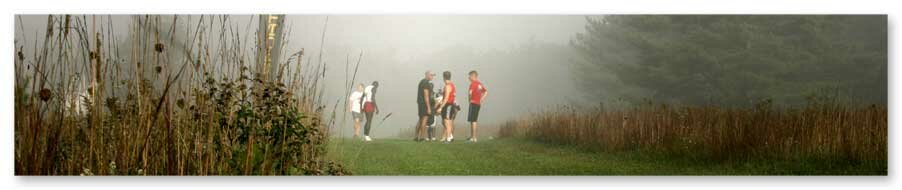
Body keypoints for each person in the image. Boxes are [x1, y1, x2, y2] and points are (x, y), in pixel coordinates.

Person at [436, 71, 458, 143]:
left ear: (444, 77)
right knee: (445, 122)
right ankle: (450, 136)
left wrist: (441, 107)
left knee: (447, 122)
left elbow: (446, 98)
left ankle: (448, 138)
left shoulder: (448, 86)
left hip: (448, 105)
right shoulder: (452, 85)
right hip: (450, 105)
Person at [467, 70, 488, 142]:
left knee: (473, 120)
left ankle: (474, 138)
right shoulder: (480, 84)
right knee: (473, 120)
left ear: (473, 76)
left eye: (469, 76)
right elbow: (485, 92)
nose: (468, 78)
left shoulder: (473, 84)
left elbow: (470, 93)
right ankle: (472, 136)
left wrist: (469, 100)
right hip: (478, 104)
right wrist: (481, 99)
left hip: (473, 103)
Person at [415, 71, 435, 142]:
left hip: (420, 103)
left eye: (433, 75)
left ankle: (416, 136)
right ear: (427, 75)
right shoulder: (426, 83)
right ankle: (422, 137)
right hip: (424, 104)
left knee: (420, 120)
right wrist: (429, 108)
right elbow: (426, 96)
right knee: (424, 120)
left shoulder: (421, 82)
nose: (432, 77)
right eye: (431, 75)